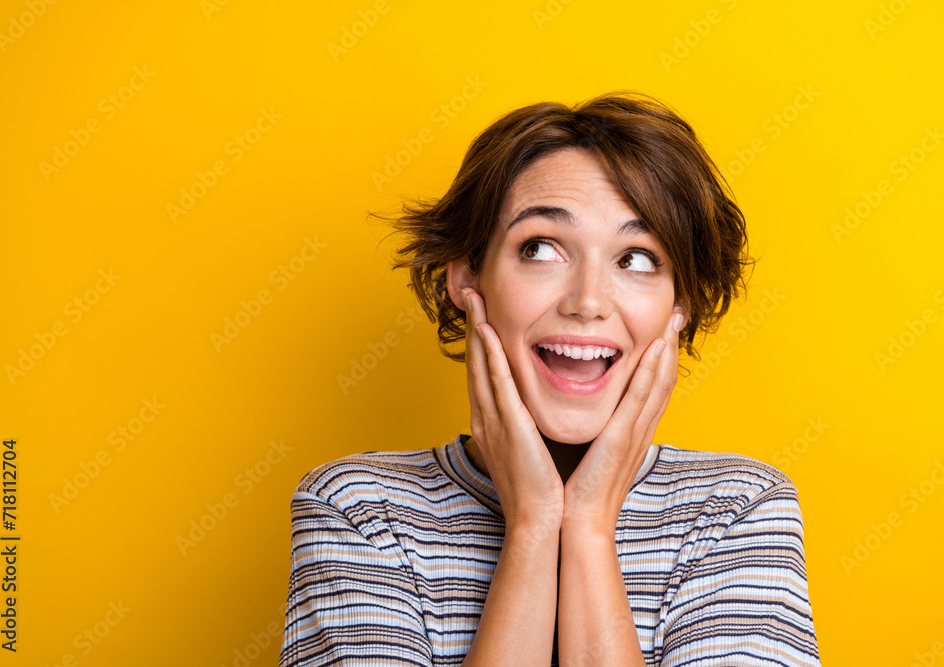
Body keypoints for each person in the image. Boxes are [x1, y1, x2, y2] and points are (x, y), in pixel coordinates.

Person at [279, 91, 821, 666]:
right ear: (469, 276)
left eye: (636, 258)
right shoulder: (361, 512)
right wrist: (534, 528)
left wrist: (587, 529)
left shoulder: (737, 510)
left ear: (678, 304)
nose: (587, 302)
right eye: (540, 248)